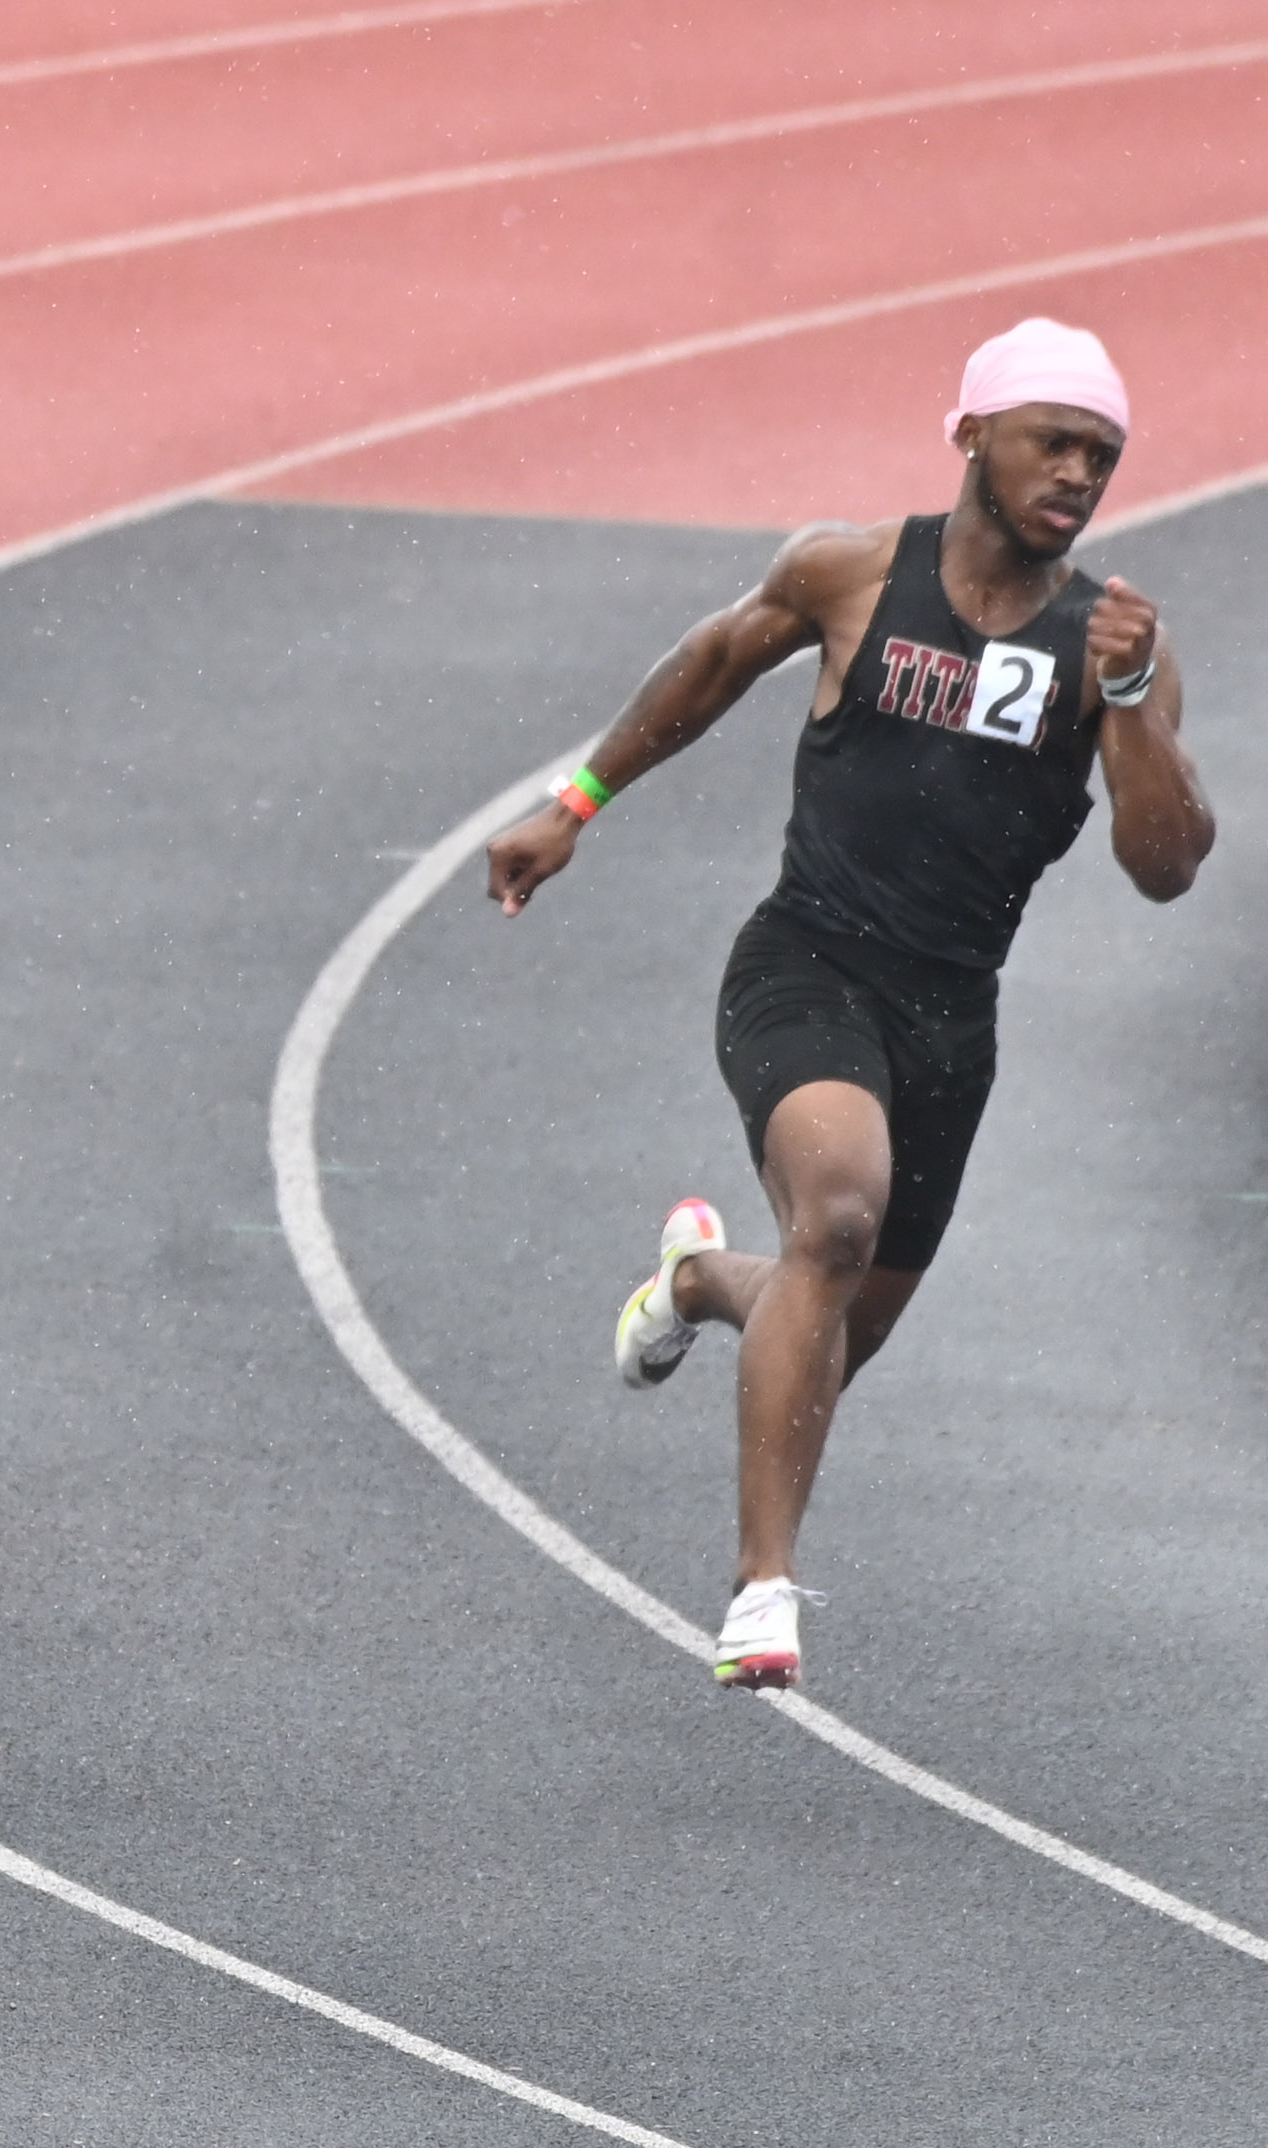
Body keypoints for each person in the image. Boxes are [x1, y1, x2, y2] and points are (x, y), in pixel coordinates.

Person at [485, 318, 1211, 1690]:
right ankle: (763, 1593)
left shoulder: (1110, 647)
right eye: (1052, 440)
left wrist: (1126, 700)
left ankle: (698, 1279)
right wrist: (573, 805)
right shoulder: (850, 573)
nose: (1076, 473)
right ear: (971, 438)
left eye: (1101, 455)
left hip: (952, 1025)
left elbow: (1167, 868)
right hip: (807, 965)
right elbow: (710, 664)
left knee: (827, 1321)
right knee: (835, 1213)